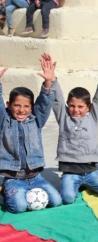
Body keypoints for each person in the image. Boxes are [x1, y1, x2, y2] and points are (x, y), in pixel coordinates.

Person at [50, 54, 98, 204]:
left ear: (88, 107)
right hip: (70, 172)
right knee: (68, 198)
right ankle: (72, 183)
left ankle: (93, 181)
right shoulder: (64, 117)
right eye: (72, 106)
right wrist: (52, 80)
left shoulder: (93, 117)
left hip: (90, 172)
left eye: (81, 106)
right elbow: (57, 100)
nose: (76, 110)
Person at [0, 55, 62, 213]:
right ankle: (7, 192)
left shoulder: (36, 120)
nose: (21, 110)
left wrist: (48, 83)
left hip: (35, 177)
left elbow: (44, 103)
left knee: (56, 201)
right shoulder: (4, 120)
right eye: (17, 105)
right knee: (19, 207)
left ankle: (24, 193)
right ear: (9, 105)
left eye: (26, 106)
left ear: (31, 107)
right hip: (13, 178)